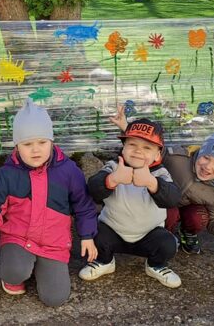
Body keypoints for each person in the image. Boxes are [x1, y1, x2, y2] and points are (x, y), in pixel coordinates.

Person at [0, 98, 97, 307]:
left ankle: (40, 267)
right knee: (13, 273)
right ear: (17, 145)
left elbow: (83, 205)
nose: (35, 150)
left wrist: (87, 235)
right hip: (18, 238)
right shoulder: (6, 174)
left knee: (55, 298)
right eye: (27, 144)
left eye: (42, 142)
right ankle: (17, 270)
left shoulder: (69, 171)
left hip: (53, 244)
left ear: (51, 141)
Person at [110, 104, 214, 254]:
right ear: (200, 152)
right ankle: (162, 234)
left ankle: (188, 233)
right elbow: (151, 147)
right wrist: (125, 127)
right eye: (206, 158)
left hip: (186, 207)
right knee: (170, 214)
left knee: (199, 216)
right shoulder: (177, 158)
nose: (208, 166)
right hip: (162, 199)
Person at [78, 118, 182, 288]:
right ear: (123, 147)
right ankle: (105, 261)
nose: (138, 151)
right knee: (94, 233)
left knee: (168, 245)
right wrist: (112, 180)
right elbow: (93, 189)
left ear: (157, 154)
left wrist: (152, 183)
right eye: (132, 144)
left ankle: (155, 265)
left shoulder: (160, 173)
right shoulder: (113, 167)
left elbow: (173, 198)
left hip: (148, 234)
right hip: (112, 230)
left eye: (147, 147)